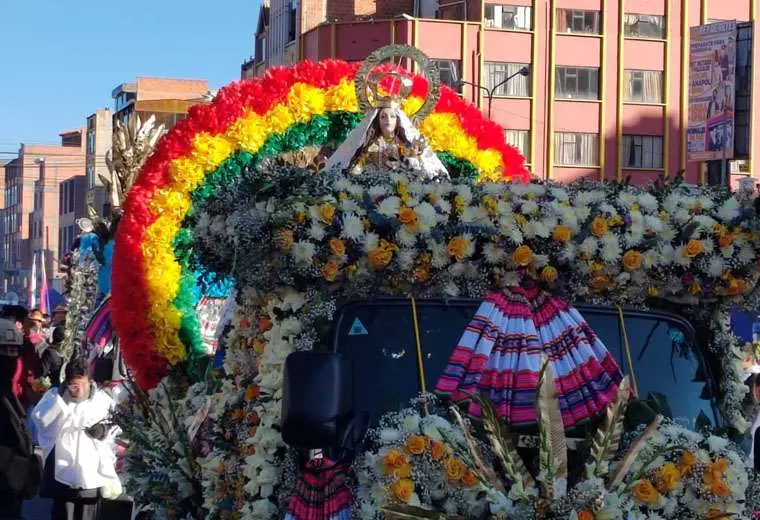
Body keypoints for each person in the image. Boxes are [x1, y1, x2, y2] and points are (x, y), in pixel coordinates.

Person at [33, 357, 121, 520]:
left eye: (83, 385)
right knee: (64, 513)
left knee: (86, 514)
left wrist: (103, 430)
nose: (79, 391)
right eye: (74, 386)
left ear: (90, 381)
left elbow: (116, 425)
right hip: (62, 466)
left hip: (89, 471)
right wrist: (61, 403)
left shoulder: (102, 399)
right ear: (67, 383)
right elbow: (40, 420)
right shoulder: (55, 396)